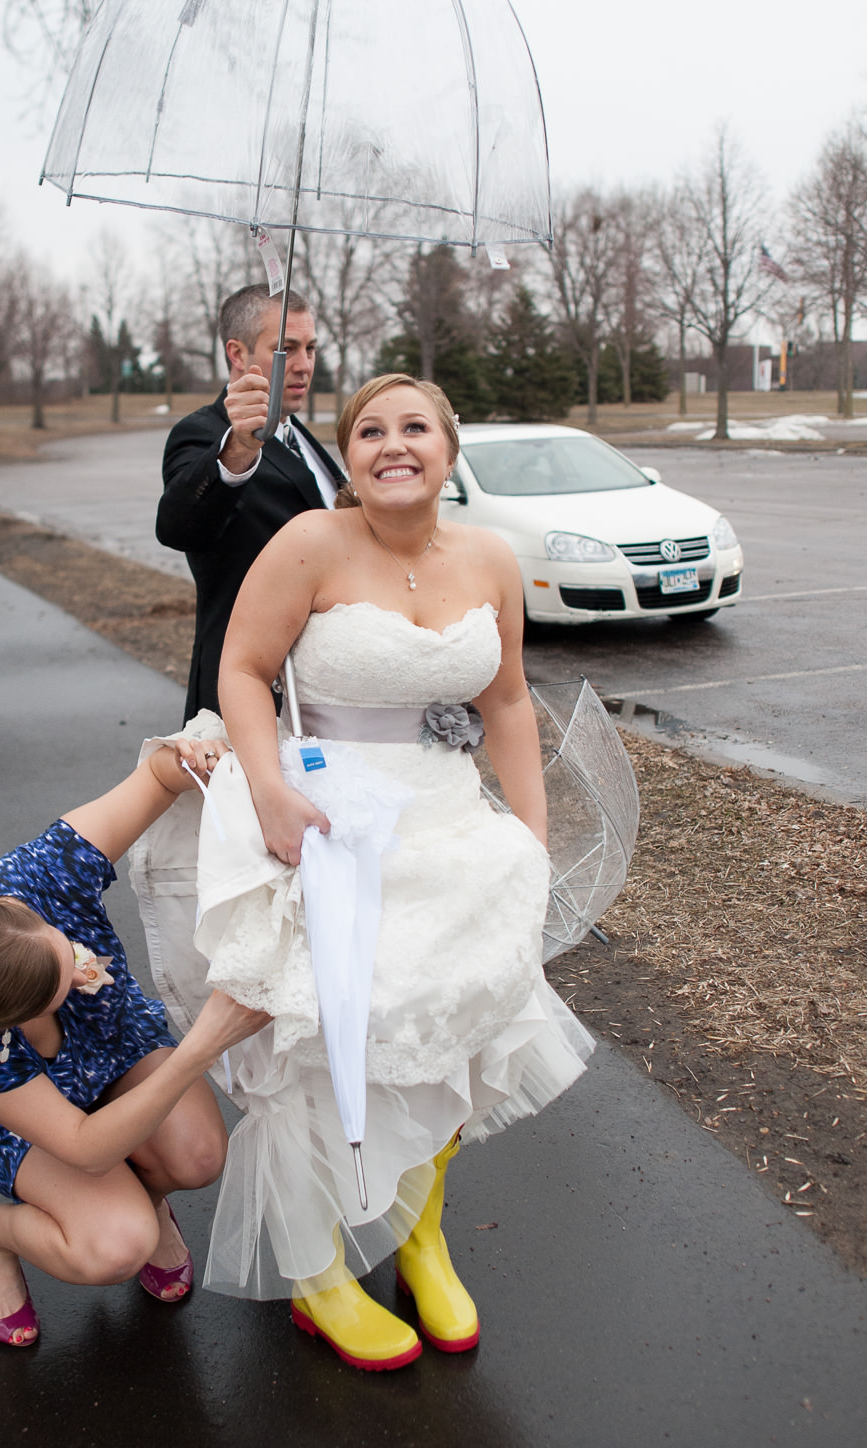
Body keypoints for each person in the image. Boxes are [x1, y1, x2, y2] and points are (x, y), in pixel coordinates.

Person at [132, 373, 594, 1372]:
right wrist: (268, 791)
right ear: (350, 453)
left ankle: (420, 1237)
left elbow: (507, 700)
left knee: (453, 1037)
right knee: (322, 1045)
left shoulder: (490, 558)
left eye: (415, 427)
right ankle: (319, 1273)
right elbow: (242, 671)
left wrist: (532, 831)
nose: (395, 443)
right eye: (371, 429)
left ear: (449, 447)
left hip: (450, 831)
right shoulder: (307, 546)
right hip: (329, 823)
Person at [0, 736, 268, 1348]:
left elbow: (155, 780)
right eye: (60, 987)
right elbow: (83, 1146)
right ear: (10, 1023)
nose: (81, 969)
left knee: (200, 1155)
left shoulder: (33, 876)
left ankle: (145, 1199)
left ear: (23, 912)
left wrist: (189, 761)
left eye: (60, 943)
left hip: (113, 1051)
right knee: (116, 1247)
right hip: (37, 1123)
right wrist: (201, 1048)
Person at [156, 284, 344, 719]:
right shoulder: (203, 434)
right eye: (287, 349)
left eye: (312, 348)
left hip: (322, 687)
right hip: (247, 687)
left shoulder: (303, 439)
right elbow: (178, 527)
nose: (304, 366)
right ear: (237, 354)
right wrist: (238, 449)